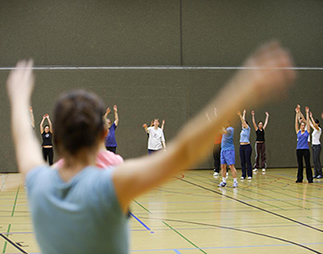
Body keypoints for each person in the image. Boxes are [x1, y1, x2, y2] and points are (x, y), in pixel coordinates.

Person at [7, 42, 295, 253]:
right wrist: (244, 88)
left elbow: (23, 136)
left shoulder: (38, 182)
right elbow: (184, 151)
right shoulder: (109, 185)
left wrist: (19, 97)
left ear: (55, 138)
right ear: (103, 134)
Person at [295, 106, 313, 183]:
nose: (303, 126)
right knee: (300, 165)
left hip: (305, 149)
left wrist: (307, 113)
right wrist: (297, 113)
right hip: (299, 149)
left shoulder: (307, 132)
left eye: (303, 125)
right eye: (301, 125)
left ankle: (310, 178)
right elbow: (296, 122)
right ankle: (299, 178)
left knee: (307, 164)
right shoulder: (298, 131)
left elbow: (308, 122)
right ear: (300, 126)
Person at [218, 121, 239, 187]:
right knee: (223, 166)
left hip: (229, 150)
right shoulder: (225, 129)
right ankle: (224, 181)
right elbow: (220, 131)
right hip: (223, 150)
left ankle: (235, 181)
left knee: (231, 166)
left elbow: (224, 131)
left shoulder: (230, 129)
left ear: (228, 123)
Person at [238, 110, 252, 180]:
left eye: (243, 123)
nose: (242, 124)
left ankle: (249, 174)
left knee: (247, 160)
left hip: (247, 146)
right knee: (242, 161)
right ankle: (243, 175)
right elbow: (243, 121)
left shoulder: (247, 129)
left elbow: (243, 121)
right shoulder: (243, 130)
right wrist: (244, 113)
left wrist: (240, 115)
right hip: (241, 146)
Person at [309, 111, 322, 179]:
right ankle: (316, 173)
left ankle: (320, 173)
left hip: (317, 146)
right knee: (314, 160)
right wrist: (309, 116)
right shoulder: (314, 130)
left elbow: (314, 124)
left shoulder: (319, 129)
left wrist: (311, 117)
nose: (315, 124)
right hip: (313, 146)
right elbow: (311, 124)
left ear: (318, 124)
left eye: (316, 123)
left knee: (317, 160)